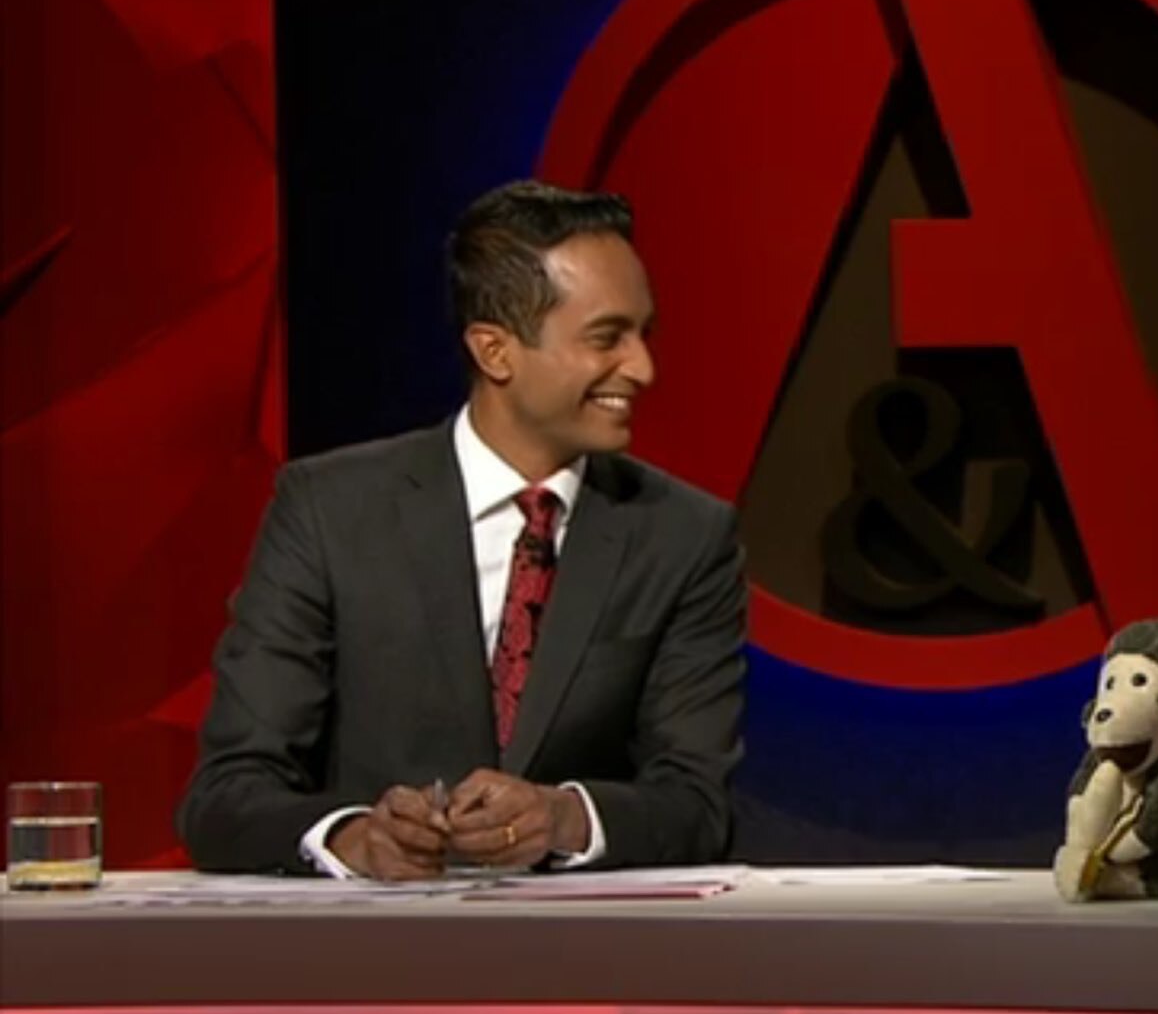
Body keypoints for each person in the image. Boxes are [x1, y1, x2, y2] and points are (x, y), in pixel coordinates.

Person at [177, 180, 746, 879]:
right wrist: (353, 838)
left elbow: (696, 804)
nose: (643, 368)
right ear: (495, 351)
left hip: (585, 965)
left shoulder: (684, 535)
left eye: (642, 334)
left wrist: (563, 816)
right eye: (607, 338)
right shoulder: (329, 511)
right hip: (368, 962)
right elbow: (226, 796)